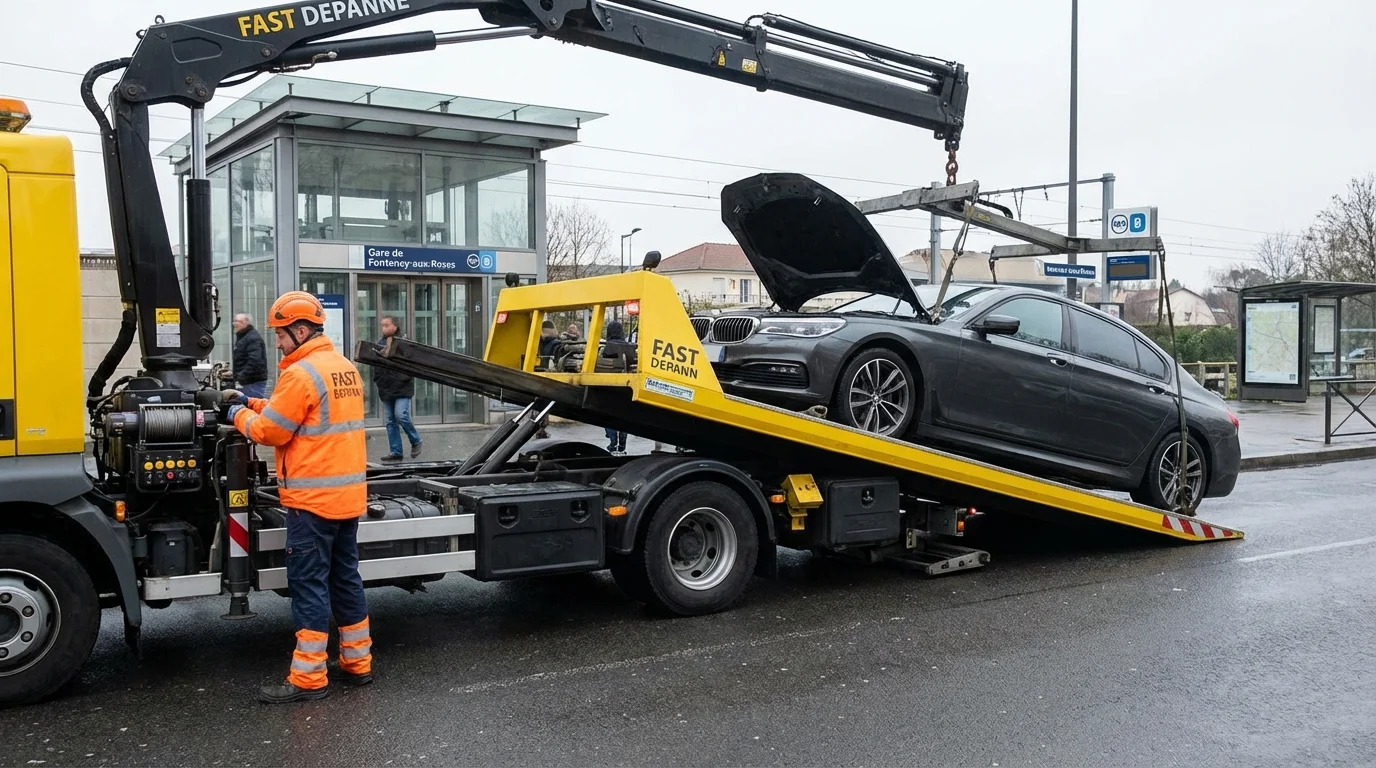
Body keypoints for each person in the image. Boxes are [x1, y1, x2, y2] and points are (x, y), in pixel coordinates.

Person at [221, 291, 373, 704]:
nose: (277, 343)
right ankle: (358, 663)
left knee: (309, 585)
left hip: (312, 503)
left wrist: (234, 413)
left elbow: (271, 431)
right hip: (345, 499)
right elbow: (293, 411)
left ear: (301, 331)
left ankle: (309, 678)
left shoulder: (301, 373)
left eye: (281, 334)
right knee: (346, 579)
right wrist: (250, 401)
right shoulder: (343, 368)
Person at [374, 315, 422, 462]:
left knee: (401, 415)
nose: (384, 328)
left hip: (402, 388)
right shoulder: (380, 344)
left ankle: (416, 440)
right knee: (390, 421)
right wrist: (379, 381)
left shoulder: (404, 343)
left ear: (395, 326)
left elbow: (410, 365)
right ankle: (396, 451)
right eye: (382, 325)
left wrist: (401, 379)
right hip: (386, 388)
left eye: (386, 325)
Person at [602, 320, 629, 454]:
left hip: (610, 385)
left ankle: (612, 442)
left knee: (609, 416)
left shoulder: (606, 347)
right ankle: (622, 443)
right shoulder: (629, 346)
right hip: (626, 386)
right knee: (623, 416)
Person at [231, 313, 269, 399]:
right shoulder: (244, 337)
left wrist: (241, 376)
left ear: (246, 323)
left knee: (252, 404)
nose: (235, 324)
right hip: (248, 381)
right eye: (234, 321)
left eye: (238, 321)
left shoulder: (252, 338)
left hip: (252, 382)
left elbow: (255, 361)